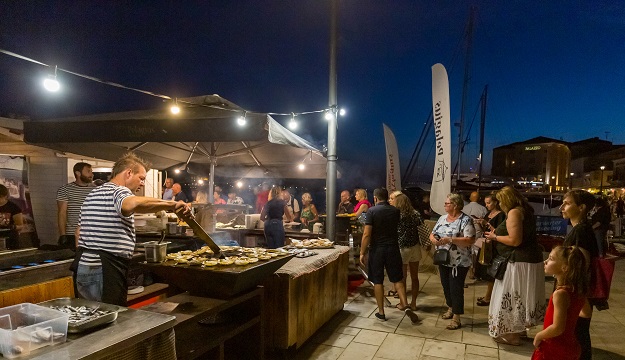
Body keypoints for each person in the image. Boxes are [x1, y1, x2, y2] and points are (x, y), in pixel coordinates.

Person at [73, 152, 191, 306]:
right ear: (128, 173)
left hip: (83, 266)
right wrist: (172, 205)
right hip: (105, 270)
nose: (142, 183)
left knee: (88, 318)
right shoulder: (119, 191)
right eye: (141, 178)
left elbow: (78, 232)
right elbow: (131, 204)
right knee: (109, 320)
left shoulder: (93, 194)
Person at [484, 186, 545, 345]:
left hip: (518, 262)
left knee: (511, 297)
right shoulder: (525, 211)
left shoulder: (514, 212)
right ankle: (519, 330)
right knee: (521, 296)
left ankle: (512, 335)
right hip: (529, 260)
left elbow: (515, 240)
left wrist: (495, 237)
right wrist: (497, 231)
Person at [360, 188, 419, 323]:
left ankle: (381, 312)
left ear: (375, 198)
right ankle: (405, 305)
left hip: (377, 249)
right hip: (393, 248)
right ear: (387, 198)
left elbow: (367, 234)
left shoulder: (371, 211)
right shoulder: (395, 211)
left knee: (378, 280)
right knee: (397, 279)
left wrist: (362, 252)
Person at [560, 189, 600, 360]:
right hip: (577, 292)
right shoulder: (579, 229)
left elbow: (581, 266)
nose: (562, 207)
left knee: (577, 334)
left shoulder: (581, 231)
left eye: (567, 203)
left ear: (582, 207)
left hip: (577, 292)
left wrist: (575, 295)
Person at [532, 245, 589, 360]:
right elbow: (586, 313)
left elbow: (558, 327)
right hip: (571, 345)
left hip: (555, 347)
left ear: (565, 267)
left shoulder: (561, 294)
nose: (546, 261)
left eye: (551, 259)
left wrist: (539, 335)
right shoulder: (577, 291)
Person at [429, 193, 475, 330]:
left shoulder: (465, 220)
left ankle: (457, 316)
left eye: (447, 203)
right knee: (446, 285)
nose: (445, 206)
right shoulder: (442, 218)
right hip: (443, 259)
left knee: (456, 287)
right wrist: (434, 239)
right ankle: (450, 308)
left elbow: (470, 240)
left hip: (459, 261)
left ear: (455, 205)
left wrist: (450, 239)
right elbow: (433, 233)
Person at [390, 191, 424, 311]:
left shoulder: (396, 214)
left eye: (393, 200)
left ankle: (403, 303)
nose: (391, 201)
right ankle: (414, 303)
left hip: (401, 248)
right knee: (415, 277)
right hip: (415, 247)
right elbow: (422, 229)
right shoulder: (416, 214)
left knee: (402, 278)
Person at [473, 192, 506, 306]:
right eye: (485, 203)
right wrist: (481, 223)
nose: (486, 205)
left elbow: (499, 230)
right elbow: (486, 230)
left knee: (492, 272)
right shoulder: (489, 213)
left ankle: (488, 296)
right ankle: (489, 295)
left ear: (496, 202)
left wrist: (486, 223)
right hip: (486, 243)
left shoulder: (501, 215)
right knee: (486, 271)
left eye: (488, 203)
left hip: (494, 245)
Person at [56, 162, 95, 250]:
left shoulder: (95, 189)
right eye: (88, 171)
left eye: (91, 172)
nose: (91, 174)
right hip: (72, 234)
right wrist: (63, 235)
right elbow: (62, 212)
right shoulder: (65, 189)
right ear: (78, 173)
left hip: (92, 233)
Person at [0, 184, 24, 249]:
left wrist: (13, 227)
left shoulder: (13, 207)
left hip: (10, 239)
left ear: (5, 196)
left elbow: (21, 225)